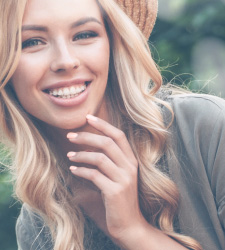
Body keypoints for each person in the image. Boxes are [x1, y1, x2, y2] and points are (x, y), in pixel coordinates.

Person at [0, 0, 224, 249]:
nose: (65, 61)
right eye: (32, 41)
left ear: (112, 43)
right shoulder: (37, 226)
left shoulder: (207, 128)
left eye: (84, 34)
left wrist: (133, 231)